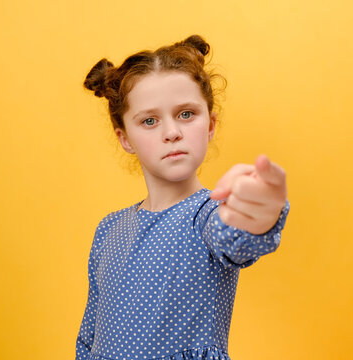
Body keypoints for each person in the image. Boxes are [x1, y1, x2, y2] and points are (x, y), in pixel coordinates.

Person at [76, 34, 290, 360]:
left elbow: (233, 234)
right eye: (149, 120)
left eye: (186, 114)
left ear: (210, 125)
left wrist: (257, 212)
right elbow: (89, 335)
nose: (171, 132)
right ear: (125, 138)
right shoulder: (109, 230)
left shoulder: (207, 214)